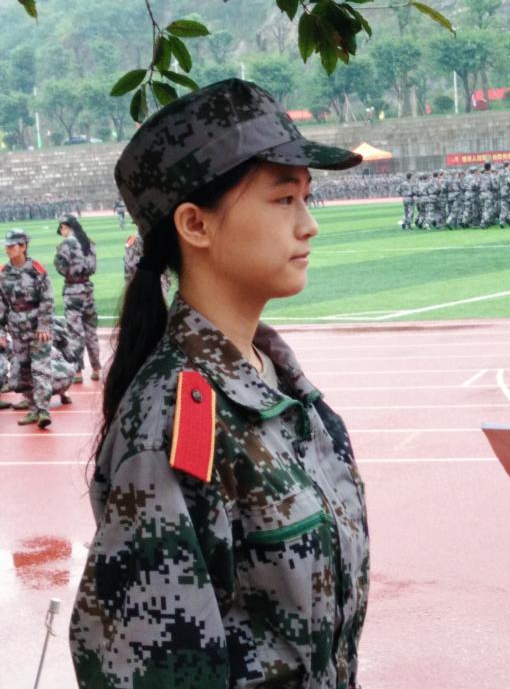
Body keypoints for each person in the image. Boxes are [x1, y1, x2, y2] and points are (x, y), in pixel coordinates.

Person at [70, 78, 370, 689]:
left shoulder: (280, 383)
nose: (309, 225)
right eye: (283, 199)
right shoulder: (177, 420)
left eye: (306, 197)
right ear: (195, 224)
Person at [0, 228, 54, 428]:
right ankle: (33, 409)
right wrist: (1, 332)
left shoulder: (36, 270)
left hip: (38, 329)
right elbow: (1, 304)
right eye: (6, 246)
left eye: (12, 246)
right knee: (23, 373)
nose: (7, 249)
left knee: (40, 370)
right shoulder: (3, 273)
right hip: (17, 330)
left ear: (23, 247)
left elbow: (47, 299)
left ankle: (43, 411)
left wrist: (44, 325)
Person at [54, 215, 101, 382]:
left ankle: (78, 371)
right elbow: (93, 267)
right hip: (87, 289)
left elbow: (61, 269)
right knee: (91, 332)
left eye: (61, 229)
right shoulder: (88, 242)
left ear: (65, 227)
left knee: (75, 333)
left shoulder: (66, 244)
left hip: (73, 291)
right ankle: (96, 369)